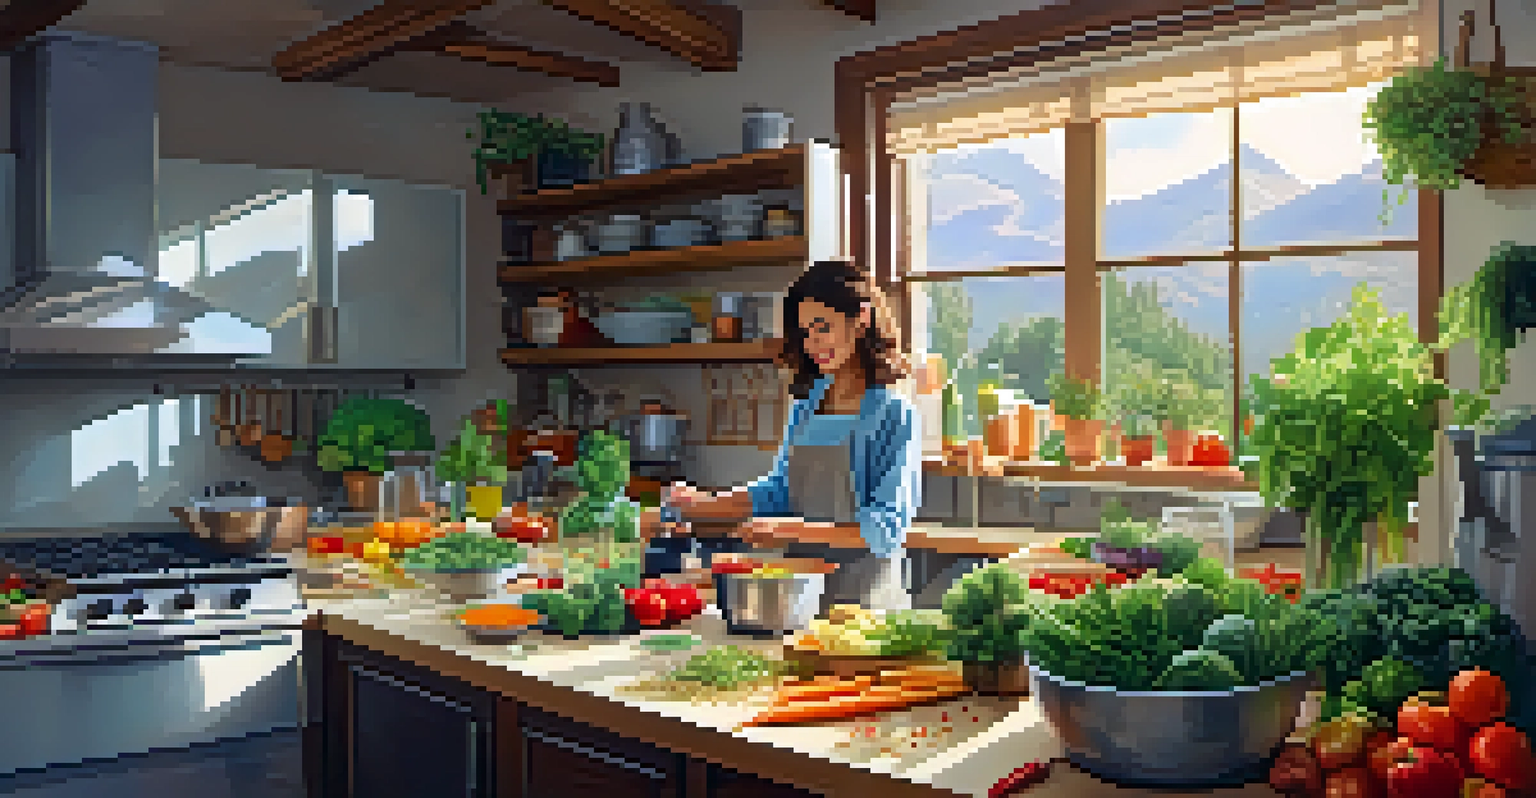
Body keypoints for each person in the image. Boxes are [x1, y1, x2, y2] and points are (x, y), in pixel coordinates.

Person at [651, 258, 921, 613]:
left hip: (867, 605)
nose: (812, 343)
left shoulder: (893, 413)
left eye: (822, 327)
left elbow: (885, 529)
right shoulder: (807, 405)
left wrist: (791, 531)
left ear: (861, 319)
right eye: (805, 332)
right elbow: (779, 490)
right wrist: (701, 503)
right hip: (800, 595)